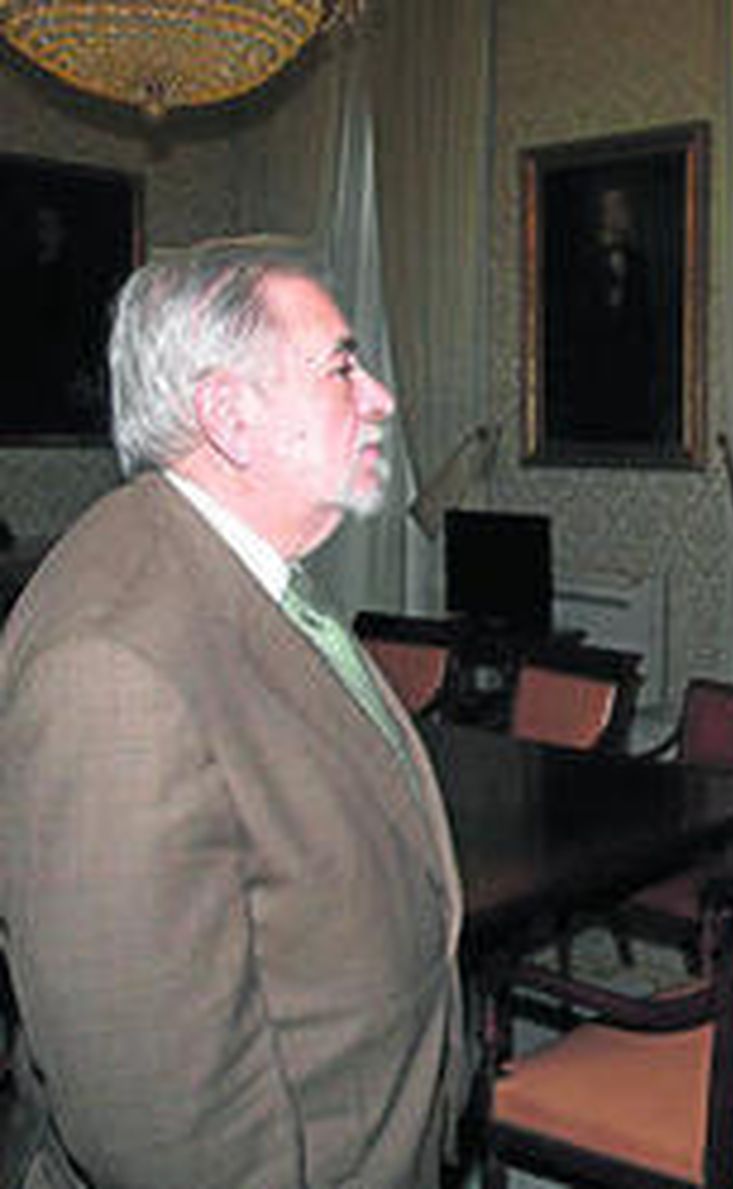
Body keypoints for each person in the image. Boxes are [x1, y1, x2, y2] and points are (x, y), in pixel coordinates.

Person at [0, 242, 467, 1187]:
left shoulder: (240, 571)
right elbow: (165, 1123)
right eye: (341, 366)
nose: (378, 396)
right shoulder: (111, 668)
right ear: (231, 417)